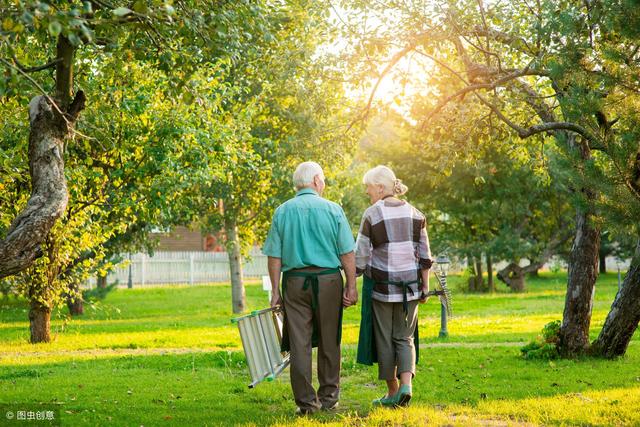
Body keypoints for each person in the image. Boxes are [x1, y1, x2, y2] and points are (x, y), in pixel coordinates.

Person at [262, 161, 358, 416]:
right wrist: (352, 286)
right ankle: (328, 397)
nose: (324, 184)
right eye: (323, 180)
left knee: (299, 342)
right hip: (328, 281)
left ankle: (306, 403)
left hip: (294, 282)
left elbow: (274, 256)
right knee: (329, 338)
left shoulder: (282, 211)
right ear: (316, 180)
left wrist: (275, 291)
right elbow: (347, 252)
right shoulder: (333, 210)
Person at [355, 165, 432, 408]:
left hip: (382, 289)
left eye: (368, 188)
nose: (367, 193)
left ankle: (392, 392)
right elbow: (425, 256)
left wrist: (350, 280)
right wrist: (425, 287)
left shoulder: (372, 214)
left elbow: (361, 255)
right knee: (405, 337)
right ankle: (407, 386)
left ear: (380, 187)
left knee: (384, 339)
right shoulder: (416, 214)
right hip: (410, 287)